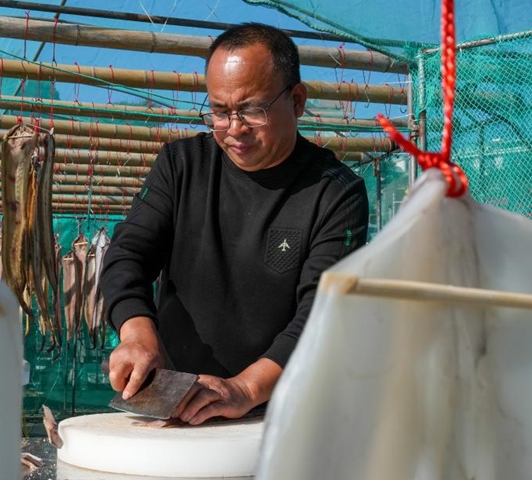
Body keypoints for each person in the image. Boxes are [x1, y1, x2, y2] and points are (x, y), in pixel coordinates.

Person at [99, 23, 369, 425]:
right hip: (177, 402)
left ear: (296, 101)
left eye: (252, 110)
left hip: (283, 410)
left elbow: (324, 312)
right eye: (220, 112)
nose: (235, 128)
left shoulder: (336, 193)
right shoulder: (182, 165)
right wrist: (136, 333)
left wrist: (245, 388)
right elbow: (128, 253)